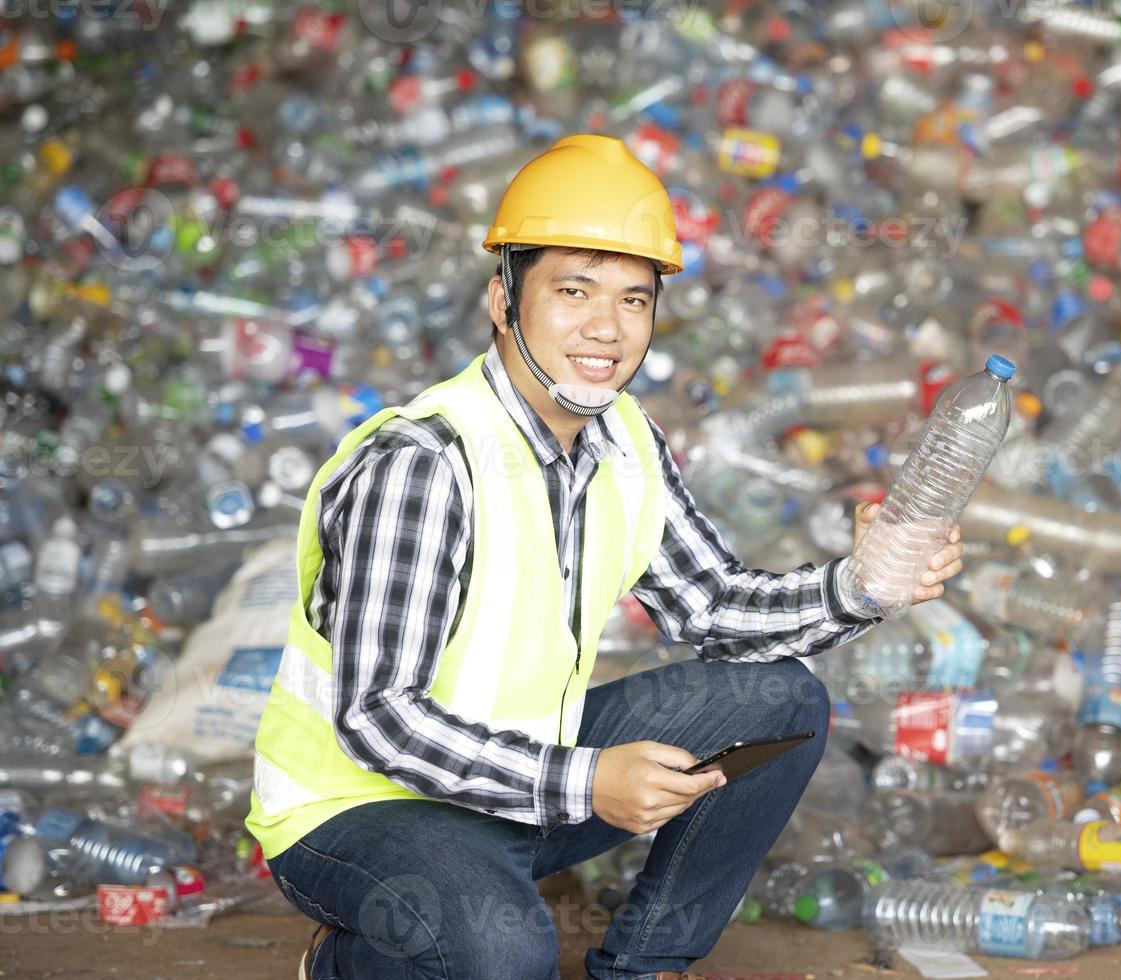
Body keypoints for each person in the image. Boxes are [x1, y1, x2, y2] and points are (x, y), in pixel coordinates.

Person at [245, 135, 965, 980]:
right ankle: (345, 964)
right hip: (360, 811)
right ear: (502, 300)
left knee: (783, 701)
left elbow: (714, 606)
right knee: (504, 952)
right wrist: (586, 782)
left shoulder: (625, 439)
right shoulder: (426, 464)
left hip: (521, 773)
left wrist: (861, 584)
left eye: (633, 299)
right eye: (573, 290)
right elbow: (379, 718)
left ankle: (642, 967)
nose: (605, 328)